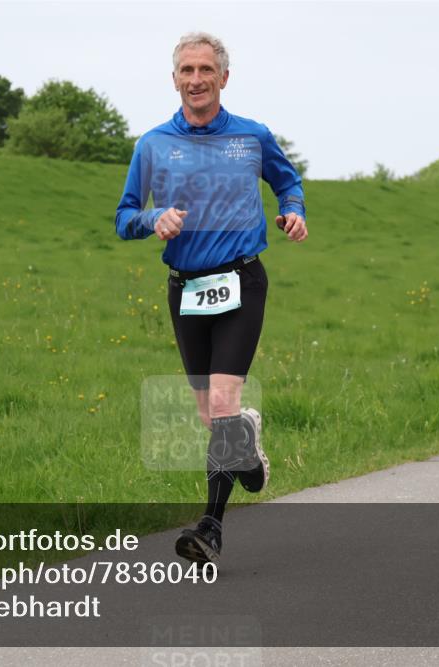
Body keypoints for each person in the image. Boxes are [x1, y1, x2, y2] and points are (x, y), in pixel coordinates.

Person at [114, 32, 308, 564]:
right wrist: (154, 218)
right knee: (212, 415)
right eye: (186, 70)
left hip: (242, 282)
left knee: (222, 403)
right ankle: (246, 447)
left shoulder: (252, 137)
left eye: (205, 70)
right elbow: (124, 217)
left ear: (224, 77)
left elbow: (289, 185)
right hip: (186, 288)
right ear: (173, 78)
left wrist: (294, 212)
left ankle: (209, 527)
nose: (195, 80)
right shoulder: (152, 144)